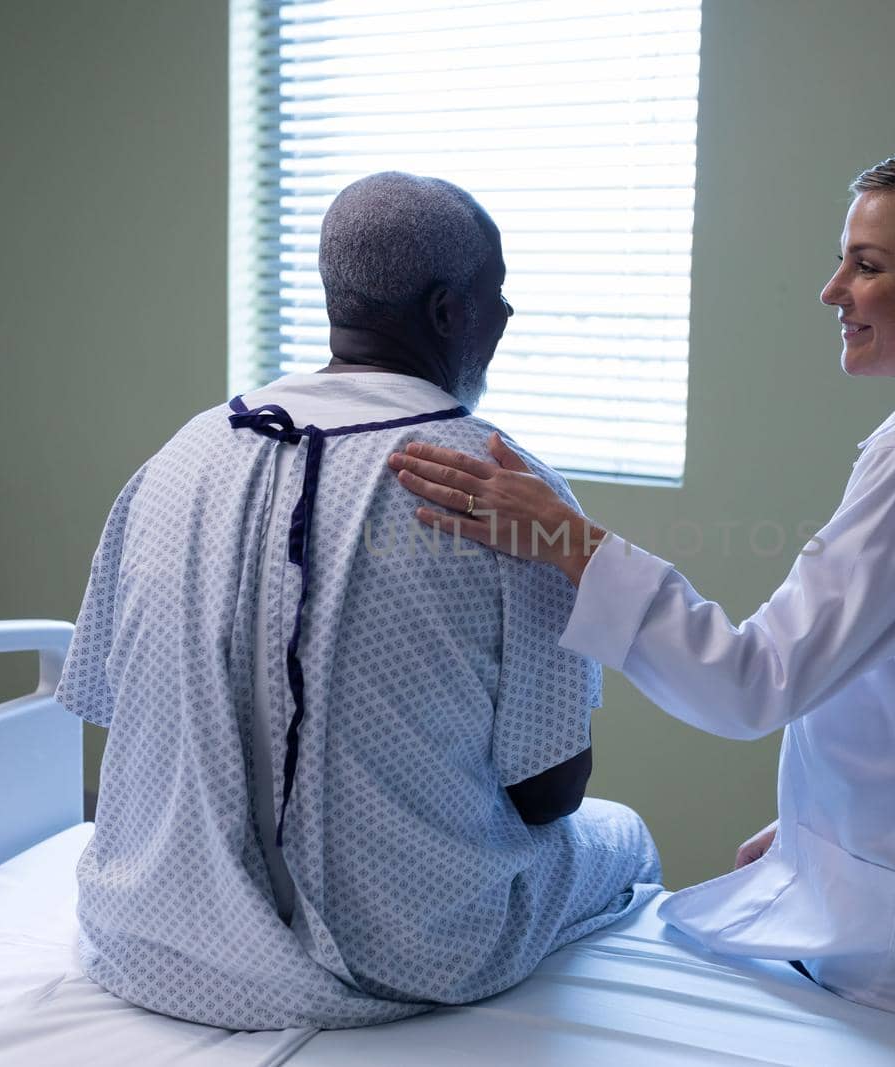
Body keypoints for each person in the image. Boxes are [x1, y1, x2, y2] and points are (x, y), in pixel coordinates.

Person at [387, 136, 895, 1022]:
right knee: (745, 878)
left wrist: (569, 541)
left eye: (867, 264)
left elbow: (750, 684)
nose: (833, 289)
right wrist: (824, 827)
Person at [56, 171, 660, 1032]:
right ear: (449, 312)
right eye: (497, 294)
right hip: (410, 954)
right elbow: (549, 793)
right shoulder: (498, 491)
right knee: (621, 833)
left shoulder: (179, 457)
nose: (509, 317)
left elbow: (122, 717)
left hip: (150, 937)